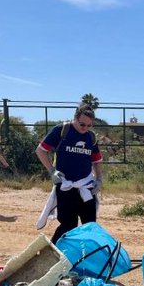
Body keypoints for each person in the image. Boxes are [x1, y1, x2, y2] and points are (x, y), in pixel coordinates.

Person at [35, 104, 103, 242]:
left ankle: (86, 252)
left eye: (89, 125)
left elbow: (96, 161)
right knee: (68, 224)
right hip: (66, 185)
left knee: (90, 225)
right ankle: (54, 251)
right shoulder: (61, 130)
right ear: (75, 118)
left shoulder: (91, 137)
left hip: (86, 186)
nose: (85, 128)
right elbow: (40, 150)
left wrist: (99, 180)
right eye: (82, 124)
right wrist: (52, 171)